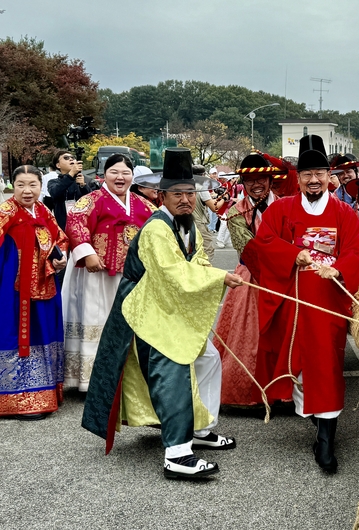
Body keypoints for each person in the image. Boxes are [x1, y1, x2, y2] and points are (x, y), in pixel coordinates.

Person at [81, 148, 242, 479]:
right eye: (176, 194)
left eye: (189, 193)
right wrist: (220, 277)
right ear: (161, 195)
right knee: (173, 370)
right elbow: (173, 272)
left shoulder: (188, 227)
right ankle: (177, 454)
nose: (185, 200)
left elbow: (196, 263)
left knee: (208, 358)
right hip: (146, 307)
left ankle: (202, 427)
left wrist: (210, 273)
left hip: (166, 304)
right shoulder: (157, 228)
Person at [241, 134, 359, 473]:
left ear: (329, 176)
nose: (314, 180)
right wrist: (294, 254)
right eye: (307, 174)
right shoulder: (282, 209)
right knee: (295, 364)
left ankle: (327, 438)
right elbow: (264, 241)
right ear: (298, 178)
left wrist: (336, 267)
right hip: (292, 300)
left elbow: (355, 250)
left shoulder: (345, 213)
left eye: (320, 173)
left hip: (326, 300)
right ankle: (315, 418)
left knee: (326, 366)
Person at [0, 165, 68, 419]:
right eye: (21, 185)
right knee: (12, 335)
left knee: (42, 333)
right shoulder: (3, 212)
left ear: (41, 186)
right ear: (12, 186)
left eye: (32, 185)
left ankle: (43, 393)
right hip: (10, 287)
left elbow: (59, 238)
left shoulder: (44, 210)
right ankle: (15, 401)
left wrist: (61, 258)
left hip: (42, 284)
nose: (27, 191)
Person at [62, 153, 156, 392]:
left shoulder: (143, 204)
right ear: (104, 175)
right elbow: (75, 222)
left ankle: (128, 377)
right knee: (97, 319)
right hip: (98, 273)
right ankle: (91, 379)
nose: (120, 177)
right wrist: (87, 252)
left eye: (126, 173)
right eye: (114, 172)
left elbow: (159, 227)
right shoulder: (92, 199)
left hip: (131, 276)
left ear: (133, 176)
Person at [213, 153, 283, 406]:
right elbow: (248, 249)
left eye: (261, 178)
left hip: (284, 274)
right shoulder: (235, 212)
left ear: (269, 179)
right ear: (243, 182)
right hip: (253, 277)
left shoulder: (286, 205)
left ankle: (286, 392)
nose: (257, 184)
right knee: (249, 336)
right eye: (250, 180)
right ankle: (248, 394)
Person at [48, 153, 92, 230]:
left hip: (83, 226)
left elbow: (92, 200)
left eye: (73, 157)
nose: (71, 159)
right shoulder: (53, 182)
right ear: (58, 165)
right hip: (63, 226)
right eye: (66, 158)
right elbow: (55, 192)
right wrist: (71, 174)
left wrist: (83, 186)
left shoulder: (86, 180)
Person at [192, 164, 220, 260]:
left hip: (190, 222)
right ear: (202, 175)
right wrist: (224, 198)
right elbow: (214, 208)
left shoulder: (188, 185)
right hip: (199, 222)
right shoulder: (201, 186)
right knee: (207, 249)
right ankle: (205, 271)